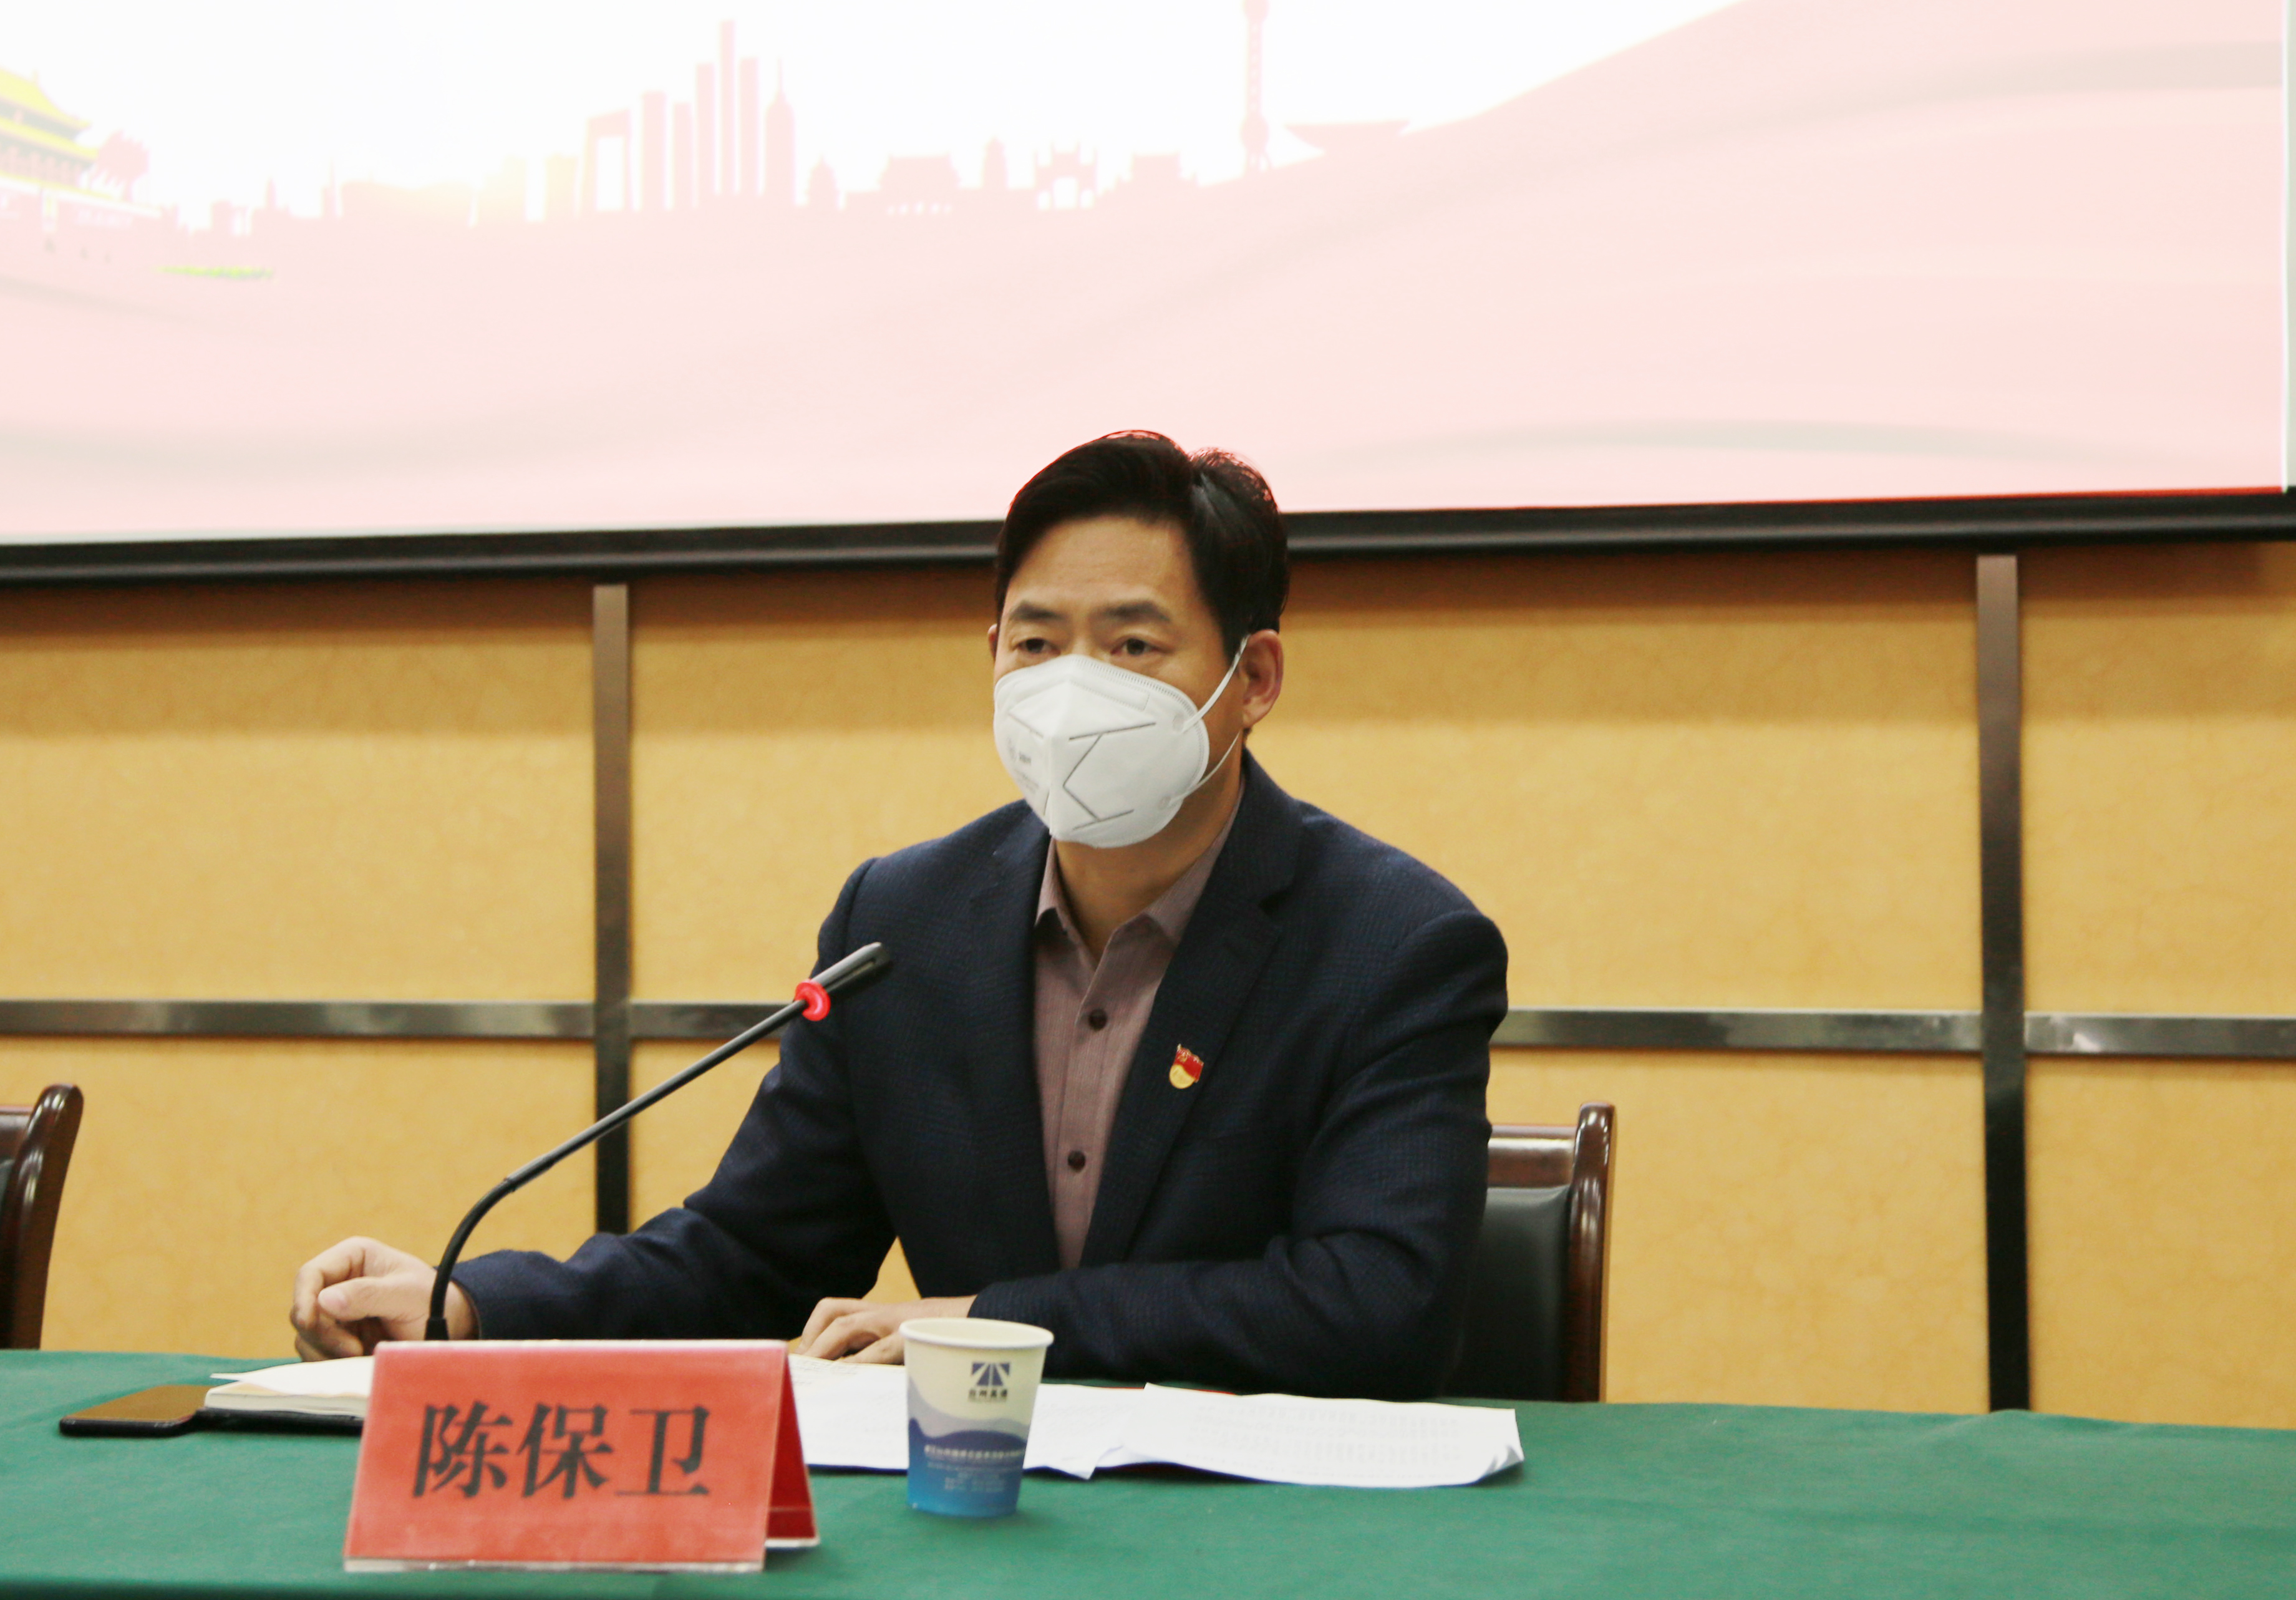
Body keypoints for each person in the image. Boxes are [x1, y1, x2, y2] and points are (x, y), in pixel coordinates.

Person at [291, 432, 1509, 1397]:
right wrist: (472, 1306)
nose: (1073, 687)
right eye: (1036, 643)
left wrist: (996, 1324)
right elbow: (750, 1257)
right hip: (967, 1514)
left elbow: (1376, 1305)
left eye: (1134, 645)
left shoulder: (1394, 946)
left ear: (1254, 679)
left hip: (1260, 1541)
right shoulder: (904, 925)